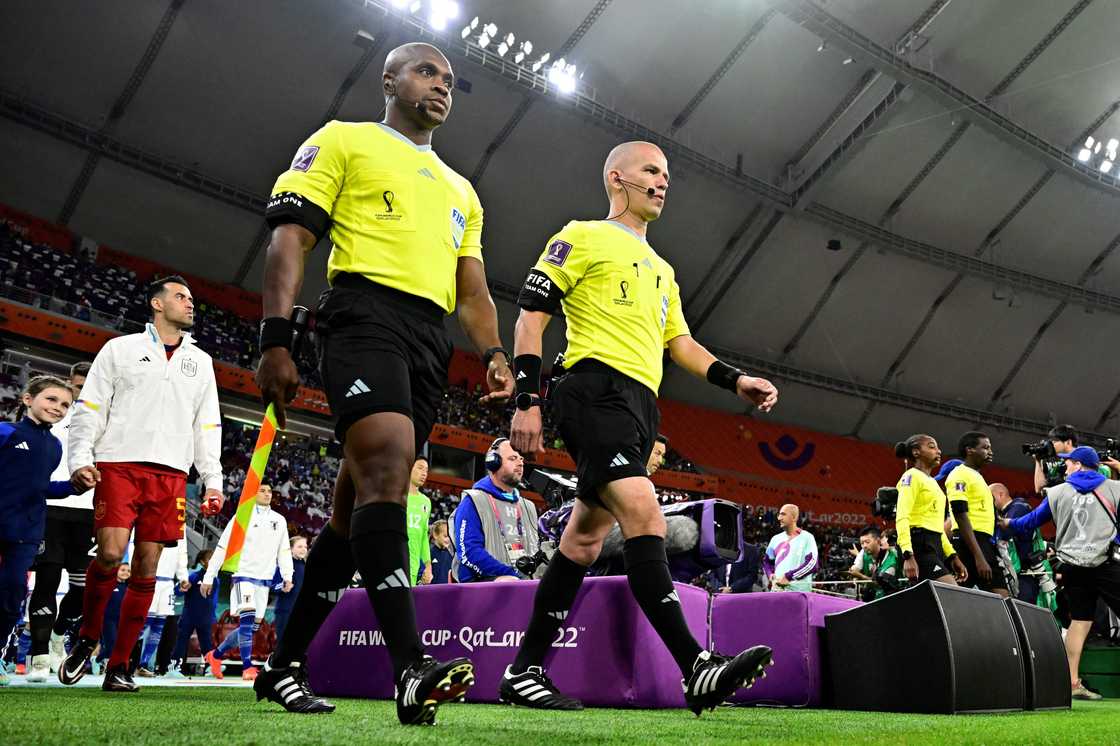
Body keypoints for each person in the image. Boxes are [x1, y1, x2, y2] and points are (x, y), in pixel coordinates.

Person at [251, 42, 513, 722]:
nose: (441, 85)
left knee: (350, 514)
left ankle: (281, 668)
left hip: (431, 341)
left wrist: (492, 354)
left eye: (450, 79)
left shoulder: (462, 190)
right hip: (363, 315)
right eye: (426, 72)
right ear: (389, 79)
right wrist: (274, 339)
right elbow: (289, 238)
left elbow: (473, 290)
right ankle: (411, 667)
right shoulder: (344, 140)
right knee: (390, 470)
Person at [504, 140, 778, 714]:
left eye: (666, 174)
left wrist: (734, 380)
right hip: (591, 388)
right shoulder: (581, 234)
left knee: (581, 540)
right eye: (651, 171)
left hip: (640, 403)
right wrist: (527, 399)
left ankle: (523, 670)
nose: (662, 182)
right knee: (644, 510)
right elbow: (531, 320)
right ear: (617, 179)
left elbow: (679, 343)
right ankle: (696, 666)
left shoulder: (664, 271)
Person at [59, 275, 225, 692]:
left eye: (192, 298)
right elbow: (90, 407)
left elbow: (207, 425)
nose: (190, 305)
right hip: (118, 465)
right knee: (112, 554)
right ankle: (88, 637)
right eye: (181, 297)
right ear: (156, 303)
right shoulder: (120, 350)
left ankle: (120, 665)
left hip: (171, 475)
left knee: (149, 566)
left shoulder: (201, 362)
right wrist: (80, 458)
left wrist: (213, 480)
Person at [999, 446, 1120, 701]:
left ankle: (1072, 682)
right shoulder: (1114, 488)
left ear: (1078, 465)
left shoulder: (1057, 492)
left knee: (1080, 621)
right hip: (1106, 563)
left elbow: (1030, 522)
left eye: (1068, 462)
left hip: (1072, 566)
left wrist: (1008, 523)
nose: (1064, 466)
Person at [0, 376, 78, 685]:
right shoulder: (5, 432)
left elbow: (41, 487)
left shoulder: (55, 446)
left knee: (12, 597)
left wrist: (72, 486)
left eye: (64, 405)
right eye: (51, 400)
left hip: (26, 533)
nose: (57, 408)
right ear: (27, 399)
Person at [27, 362, 93, 682]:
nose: (83, 393)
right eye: (78, 387)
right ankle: (38, 656)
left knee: (83, 590)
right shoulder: (54, 416)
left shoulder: (107, 420)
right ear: (70, 385)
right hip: (51, 509)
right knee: (47, 581)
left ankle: (57, 634)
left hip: (90, 514)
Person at [201, 484, 292, 681]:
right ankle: (248, 667)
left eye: (269, 491)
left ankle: (215, 656)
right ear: (253, 493)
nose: (267, 494)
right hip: (243, 575)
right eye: (262, 490)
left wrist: (287, 576)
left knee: (250, 627)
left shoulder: (279, 520)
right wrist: (209, 576)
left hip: (264, 578)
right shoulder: (242, 517)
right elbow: (222, 546)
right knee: (248, 618)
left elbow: (283, 550)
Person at [451, 438, 540, 582]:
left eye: (521, 458)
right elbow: (469, 552)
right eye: (512, 458)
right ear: (493, 463)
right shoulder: (473, 501)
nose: (520, 463)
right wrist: (509, 574)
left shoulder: (528, 506)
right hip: (485, 589)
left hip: (524, 587)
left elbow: (535, 549)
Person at [894, 434, 968, 585]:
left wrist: (952, 556)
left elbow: (937, 528)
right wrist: (908, 555)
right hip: (919, 544)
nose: (938, 451)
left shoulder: (933, 483)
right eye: (932, 446)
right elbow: (902, 516)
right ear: (916, 452)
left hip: (935, 545)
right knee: (951, 591)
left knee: (930, 600)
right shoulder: (911, 476)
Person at [946, 432, 1008, 598]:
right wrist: (979, 557)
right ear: (970, 450)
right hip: (969, 543)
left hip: (982, 542)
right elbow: (960, 514)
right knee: (1002, 599)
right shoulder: (959, 475)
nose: (990, 452)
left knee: (996, 600)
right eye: (985, 447)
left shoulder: (977, 476)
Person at [136, 521, 189, 676]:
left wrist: (183, 576)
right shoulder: (152, 511)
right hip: (149, 577)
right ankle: (122, 659)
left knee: (159, 624)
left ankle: (143, 664)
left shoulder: (180, 521)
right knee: (144, 623)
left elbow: (182, 552)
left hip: (167, 582)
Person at [168, 549, 217, 677]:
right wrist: (182, 587)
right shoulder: (193, 576)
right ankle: (174, 668)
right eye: (210, 559)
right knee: (181, 641)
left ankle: (210, 668)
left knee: (207, 644)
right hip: (189, 616)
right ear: (202, 562)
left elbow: (213, 600)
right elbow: (178, 591)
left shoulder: (215, 580)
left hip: (205, 618)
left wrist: (212, 615)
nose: (213, 562)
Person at [763, 504, 817, 592]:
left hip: (798, 593)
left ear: (794, 517)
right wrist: (771, 575)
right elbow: (767, 561)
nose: (779, 518)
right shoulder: (775, 539)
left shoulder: (807, 538)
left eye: (783, 514)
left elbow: (812, 564)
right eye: (779, 514)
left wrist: (788, 576)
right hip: (776, 591)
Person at [849, 526, 900, 601]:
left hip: (892, 598)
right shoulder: (863, 553)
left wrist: (862, 576)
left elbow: (881, 583)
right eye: (862, 543)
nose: (864, 546)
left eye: (867, 542)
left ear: (878, 541)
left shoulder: (893, 556)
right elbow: (854, 569)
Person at [272, 536, 307, 643]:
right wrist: (282, 586)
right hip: (285, 611)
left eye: (305, 547)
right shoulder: (284, 565)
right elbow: (273, 585)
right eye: (299, 546)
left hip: (300, 611)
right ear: (291, 549)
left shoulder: (305, 565)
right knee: (283, 644)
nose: (303, 549)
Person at [406, 458, 433, 586]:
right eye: (420, 468)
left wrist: (428, 566)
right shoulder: (396, 495)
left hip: (413, 567)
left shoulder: (426, 502)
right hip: (393, 563)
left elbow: (423, 537)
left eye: (426, 471)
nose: (424, 474)